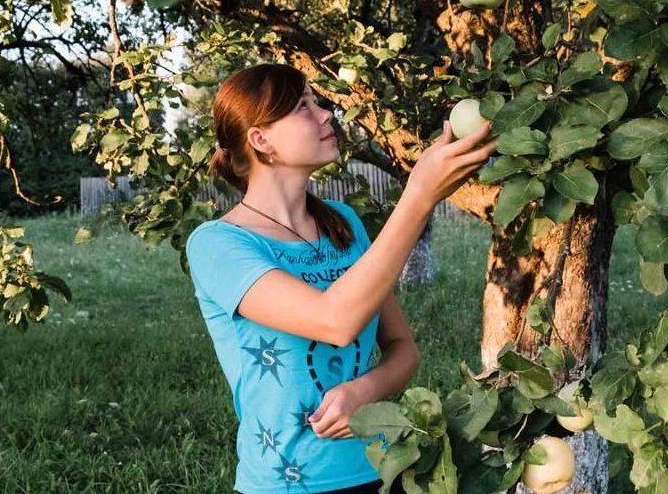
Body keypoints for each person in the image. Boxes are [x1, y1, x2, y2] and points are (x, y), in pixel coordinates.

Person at [185, 64, 494, 494]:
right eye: (303, 107)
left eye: (319, 103)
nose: (326, 114)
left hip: (380, 468)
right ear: (261, 140)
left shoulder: (343, 224)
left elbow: (403, 348)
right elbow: (334, 321)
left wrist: (365, 391)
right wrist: (420, 194)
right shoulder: (217, 245)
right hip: (287, 484)